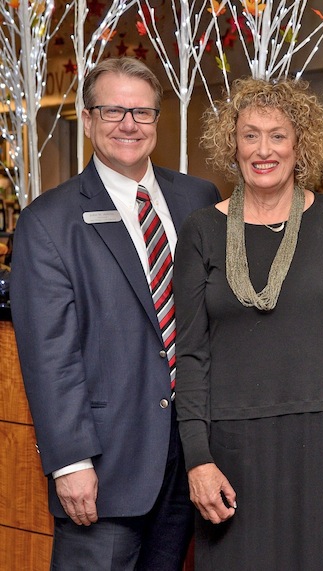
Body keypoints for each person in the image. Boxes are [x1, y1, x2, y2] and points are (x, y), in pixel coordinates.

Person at [11, 57, 220, 570]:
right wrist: (70, 462)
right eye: (113, 110)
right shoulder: (47, 222)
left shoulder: (200, 199)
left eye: (142, 113)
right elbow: (49, 357)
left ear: (156, 121)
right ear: (87, 120)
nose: (129, 124)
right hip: (105, 466)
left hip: (191, 458)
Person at [173, 77, 323, 570]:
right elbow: (191, 355)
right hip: (235, 448)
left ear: (300, 144)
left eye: (278, 135)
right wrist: (198, 457)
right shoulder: (201, 230)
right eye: (250, 135)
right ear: (232, 144)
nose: (264, 150)